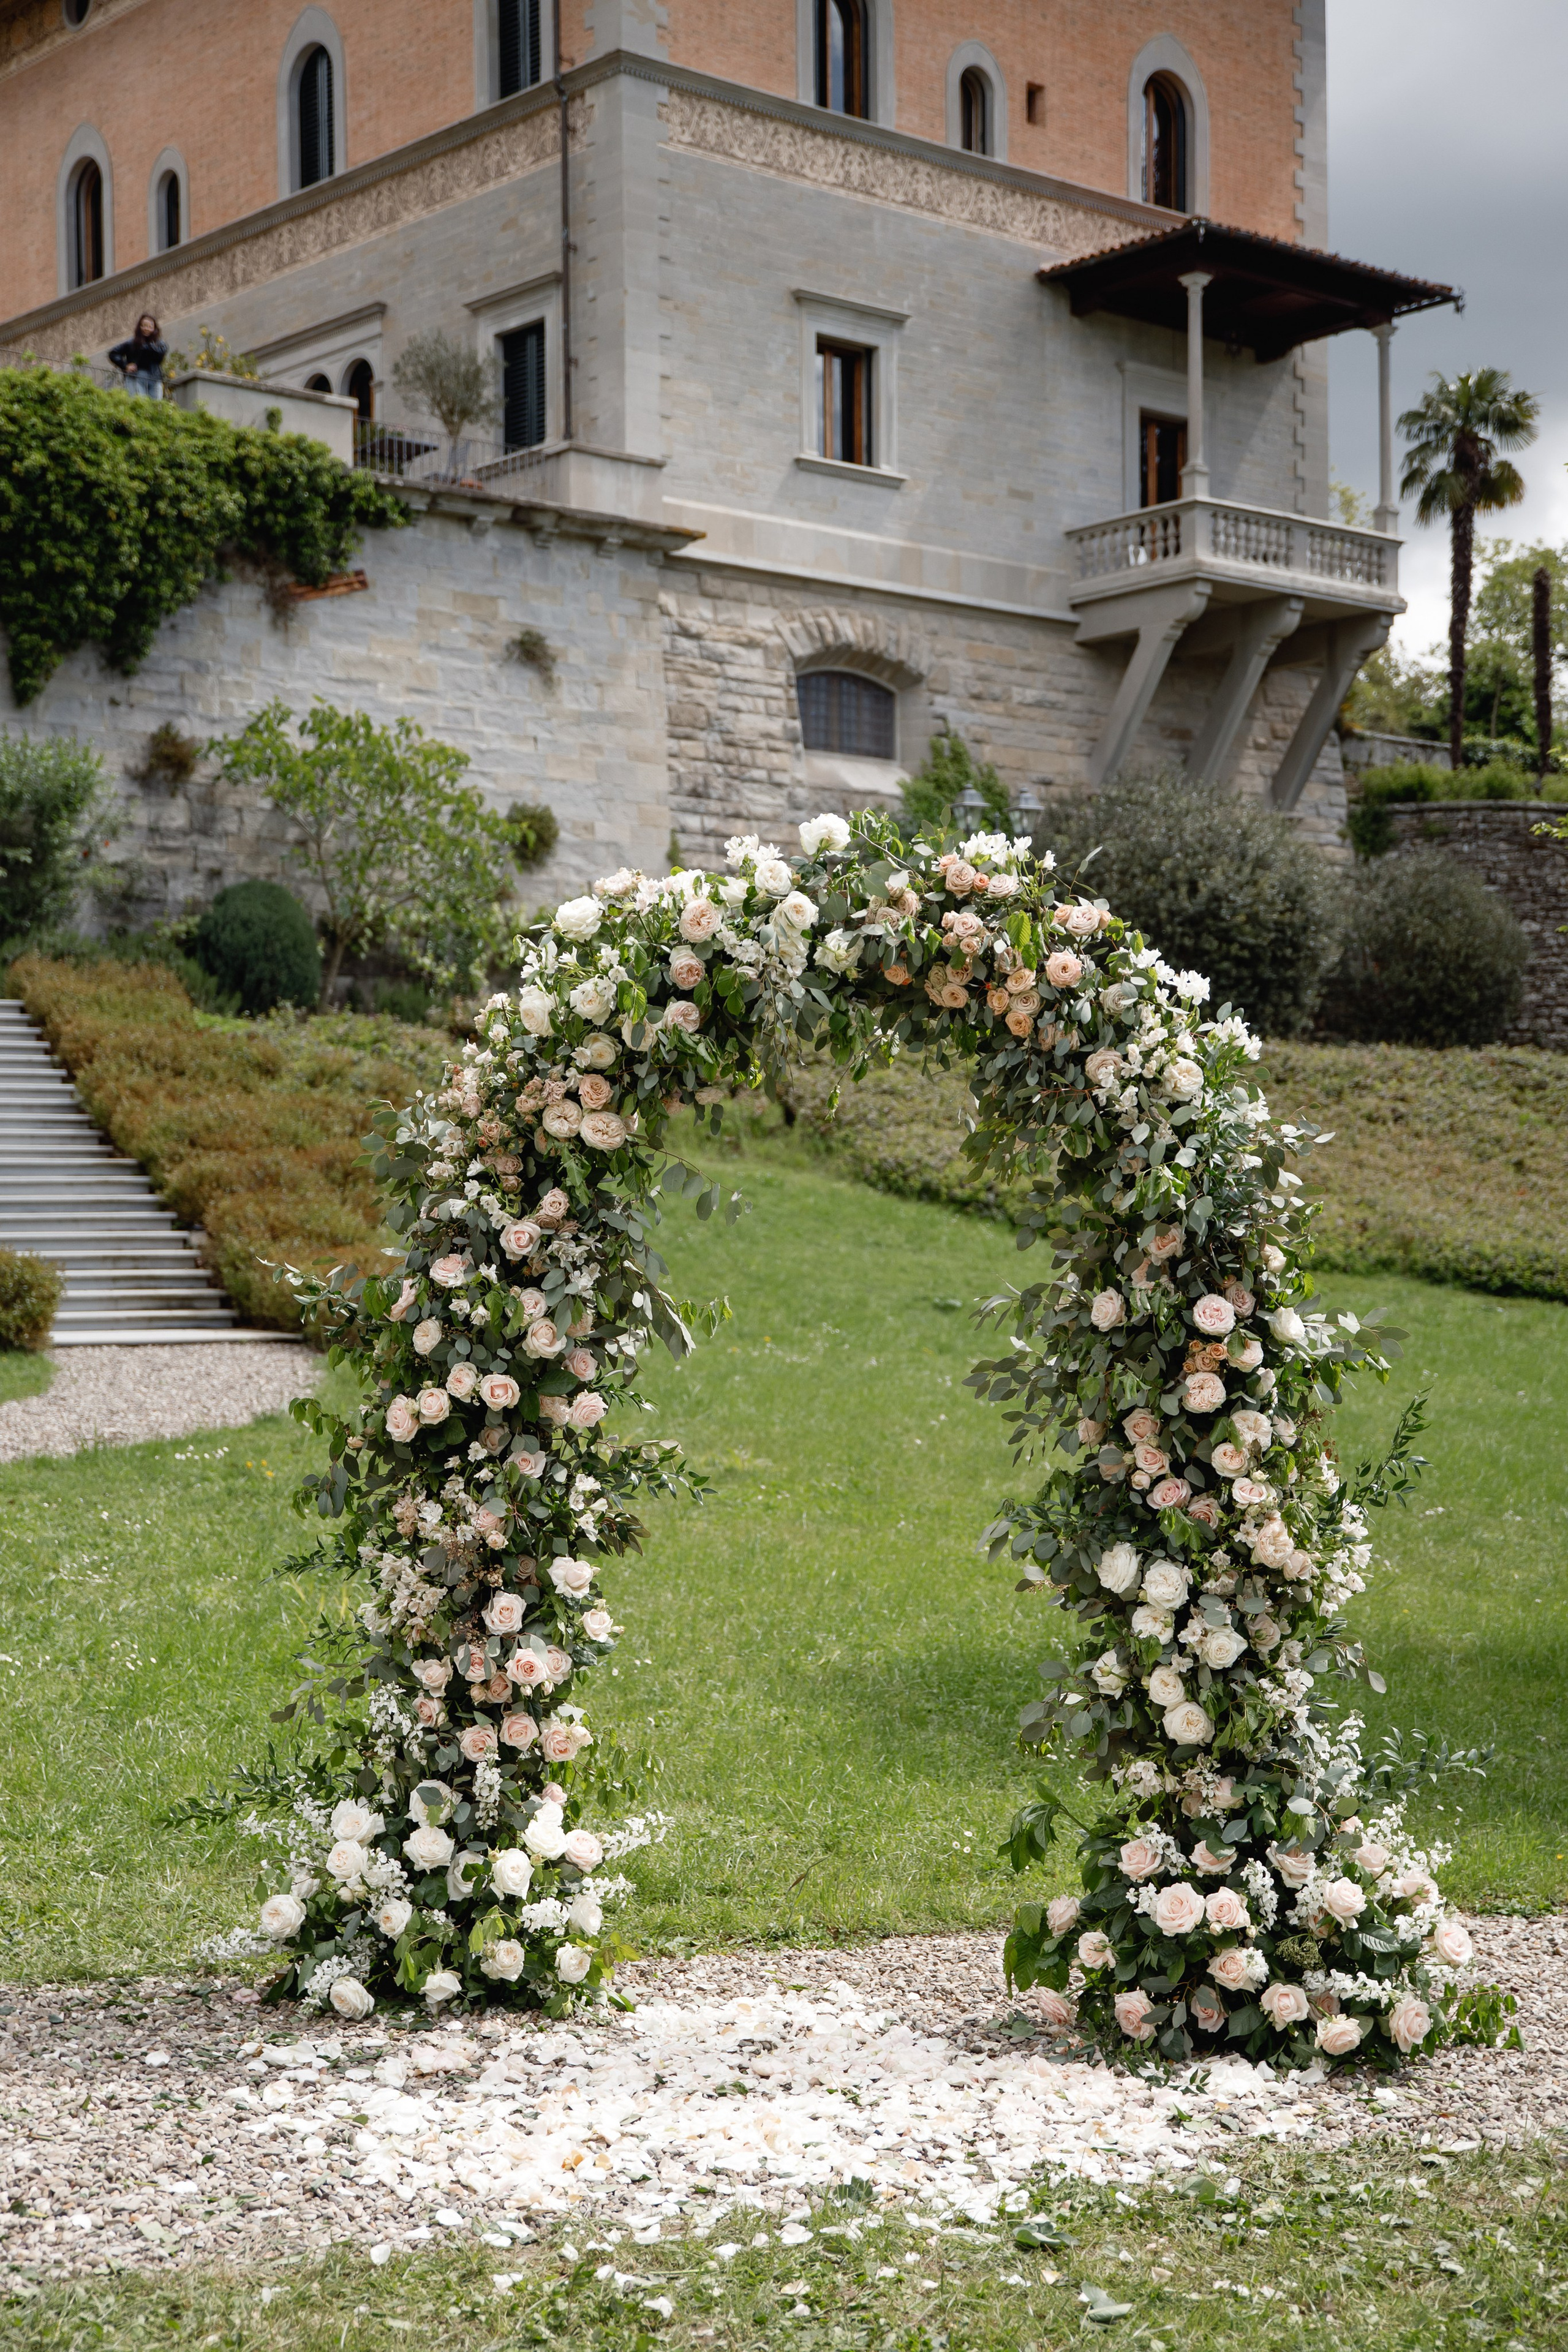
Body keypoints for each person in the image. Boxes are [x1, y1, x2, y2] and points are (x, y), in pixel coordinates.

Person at [108, 314, 167, 397]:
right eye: (144, 326)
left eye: (150, 327)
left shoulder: (159, 344)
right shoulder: (131, 343)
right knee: (139, 401)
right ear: (140, 327)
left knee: (156, 404)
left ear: (154, 329)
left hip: (155, 379)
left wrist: (151, 346)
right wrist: (126, 366)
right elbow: (113, 354)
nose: (147, 329)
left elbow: (161, 354)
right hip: (136, 377)